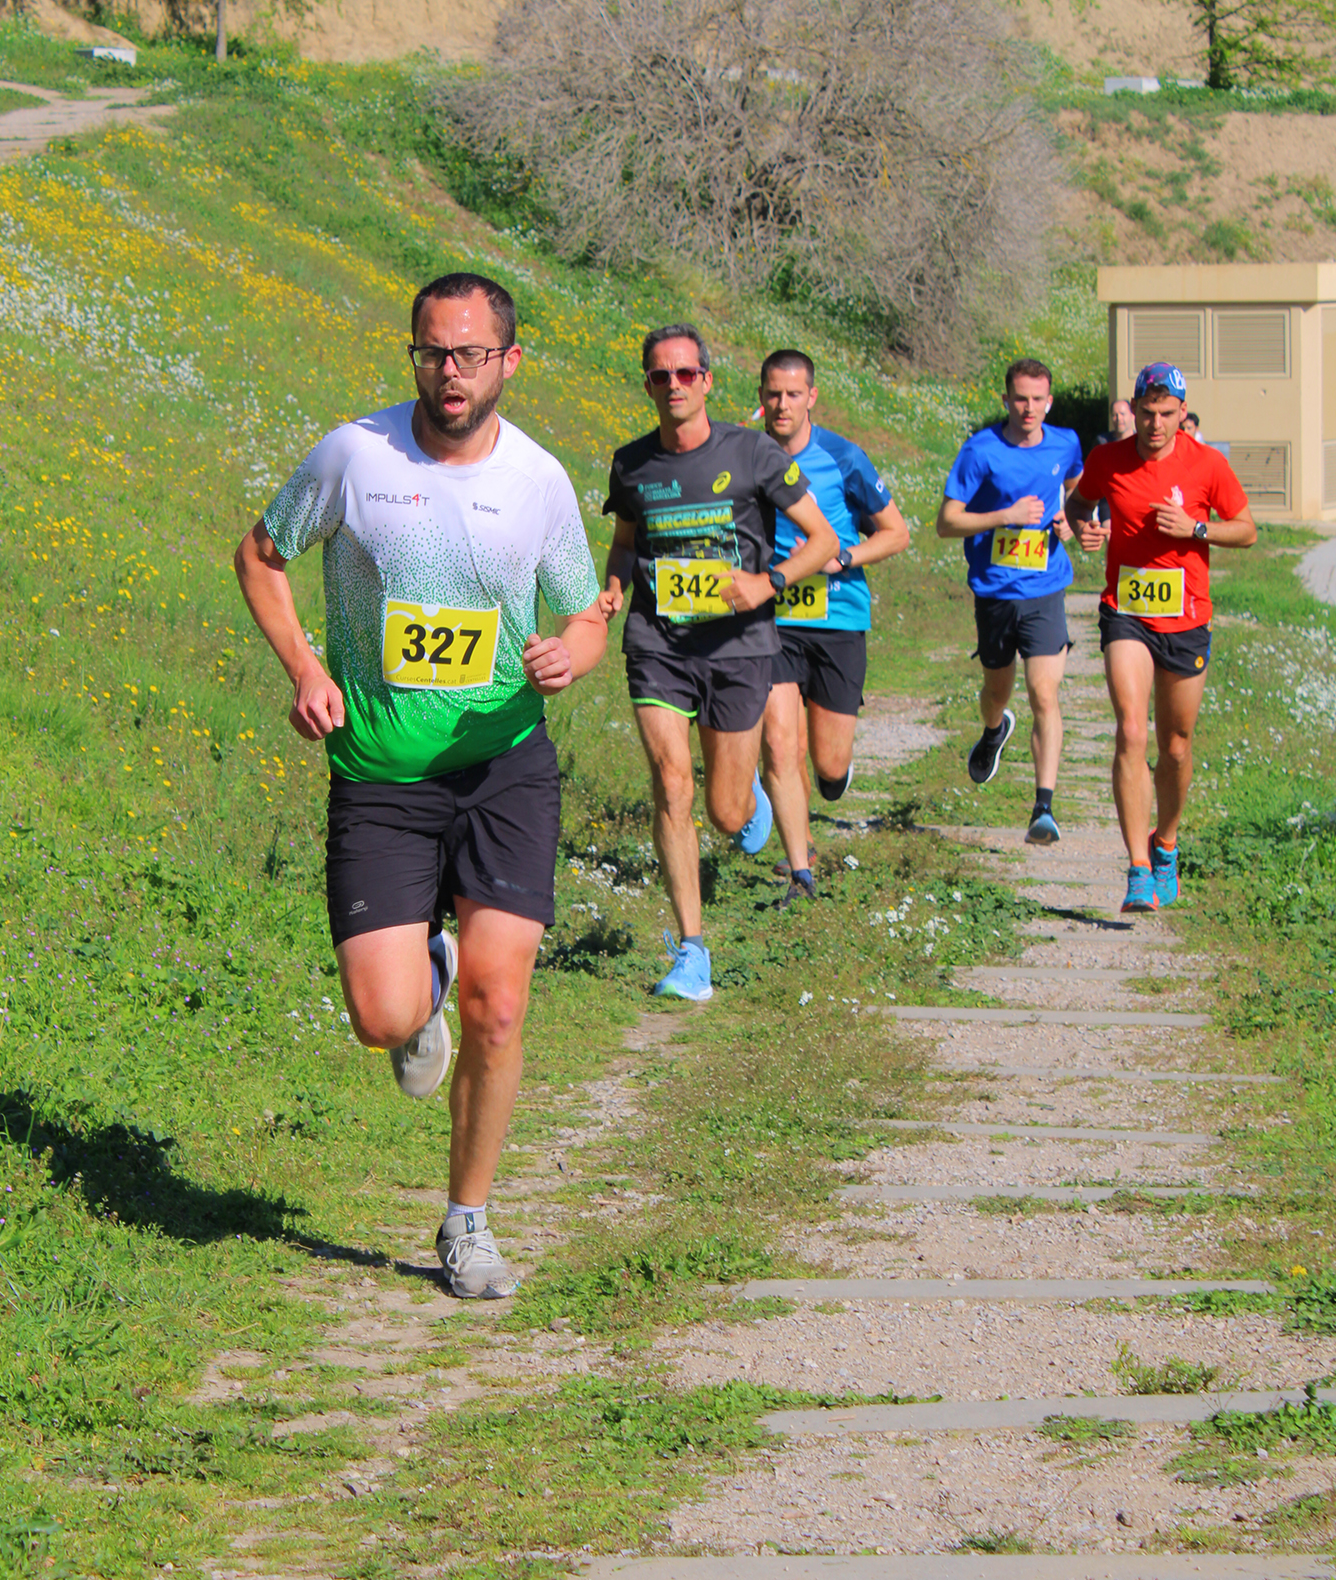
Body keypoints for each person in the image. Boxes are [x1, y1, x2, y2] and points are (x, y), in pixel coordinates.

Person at [233, 272, 608, 1300]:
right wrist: (305, 668)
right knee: (380, 1016)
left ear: (508, 362)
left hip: (502, 767)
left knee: (502, 1006)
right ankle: (423, 978)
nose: (450, 373)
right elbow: (261, 557)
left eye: (470, 354)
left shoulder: (538, 480)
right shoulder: (354, 456)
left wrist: (571, 656)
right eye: (432, 352)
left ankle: (467, 1221)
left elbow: (584, 613)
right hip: (382, 776)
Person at [601, 324, 839, 998]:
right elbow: (626, 542)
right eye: (660, 376)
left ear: (706, 381)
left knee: (727, 814)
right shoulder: (632, 463)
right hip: (658, 643)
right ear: (648, 385)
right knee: (671, 782)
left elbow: (822, 540)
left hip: (738, 648)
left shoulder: (753, 453)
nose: (673, 385)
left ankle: (747, 797)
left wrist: (769, 583)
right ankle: (692, 952)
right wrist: (614, 585)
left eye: (685, 374)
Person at [1065, 361, 1256, 913]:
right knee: (1130, 730)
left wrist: (1196, 528)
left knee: (1175, 745)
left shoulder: (1207, 464)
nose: (1155, 424)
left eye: (1166, 414)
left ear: (1182, 413)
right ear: (1134, 410)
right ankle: (1137, 869)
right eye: (1147, 413)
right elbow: (1079, 503)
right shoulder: (1108, 459)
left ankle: (1165, 843)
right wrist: (1085, 528)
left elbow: (1246, 529)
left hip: (1187, 618)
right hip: (1126, 611)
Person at [754, 350, 911, 892]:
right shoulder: (745, 456)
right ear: (761, 396)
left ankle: (831, 779)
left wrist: (840, 557)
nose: (782, 404)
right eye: (773, 394)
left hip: (838, 615)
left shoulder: (843, 457)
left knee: (829, 764)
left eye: (793, 394)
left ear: (812, 397)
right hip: (772, 619)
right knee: (781, 743)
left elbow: (896, 533)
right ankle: (799, 857)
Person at [936, 358, 1085, 845]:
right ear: (1006, 400)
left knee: (1045, 693)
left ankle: (1044, 807)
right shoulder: (981, 450)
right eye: (1020, 398)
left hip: (1045, 588)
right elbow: (947, 522)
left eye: (1038, 399)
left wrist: (1070, 521)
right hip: (995, 591)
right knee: (996, 693)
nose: (1029, 408)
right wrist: (1005, 515)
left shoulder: (1066, 443)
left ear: (1049, 402)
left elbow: (1076, 490)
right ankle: (995, 729)